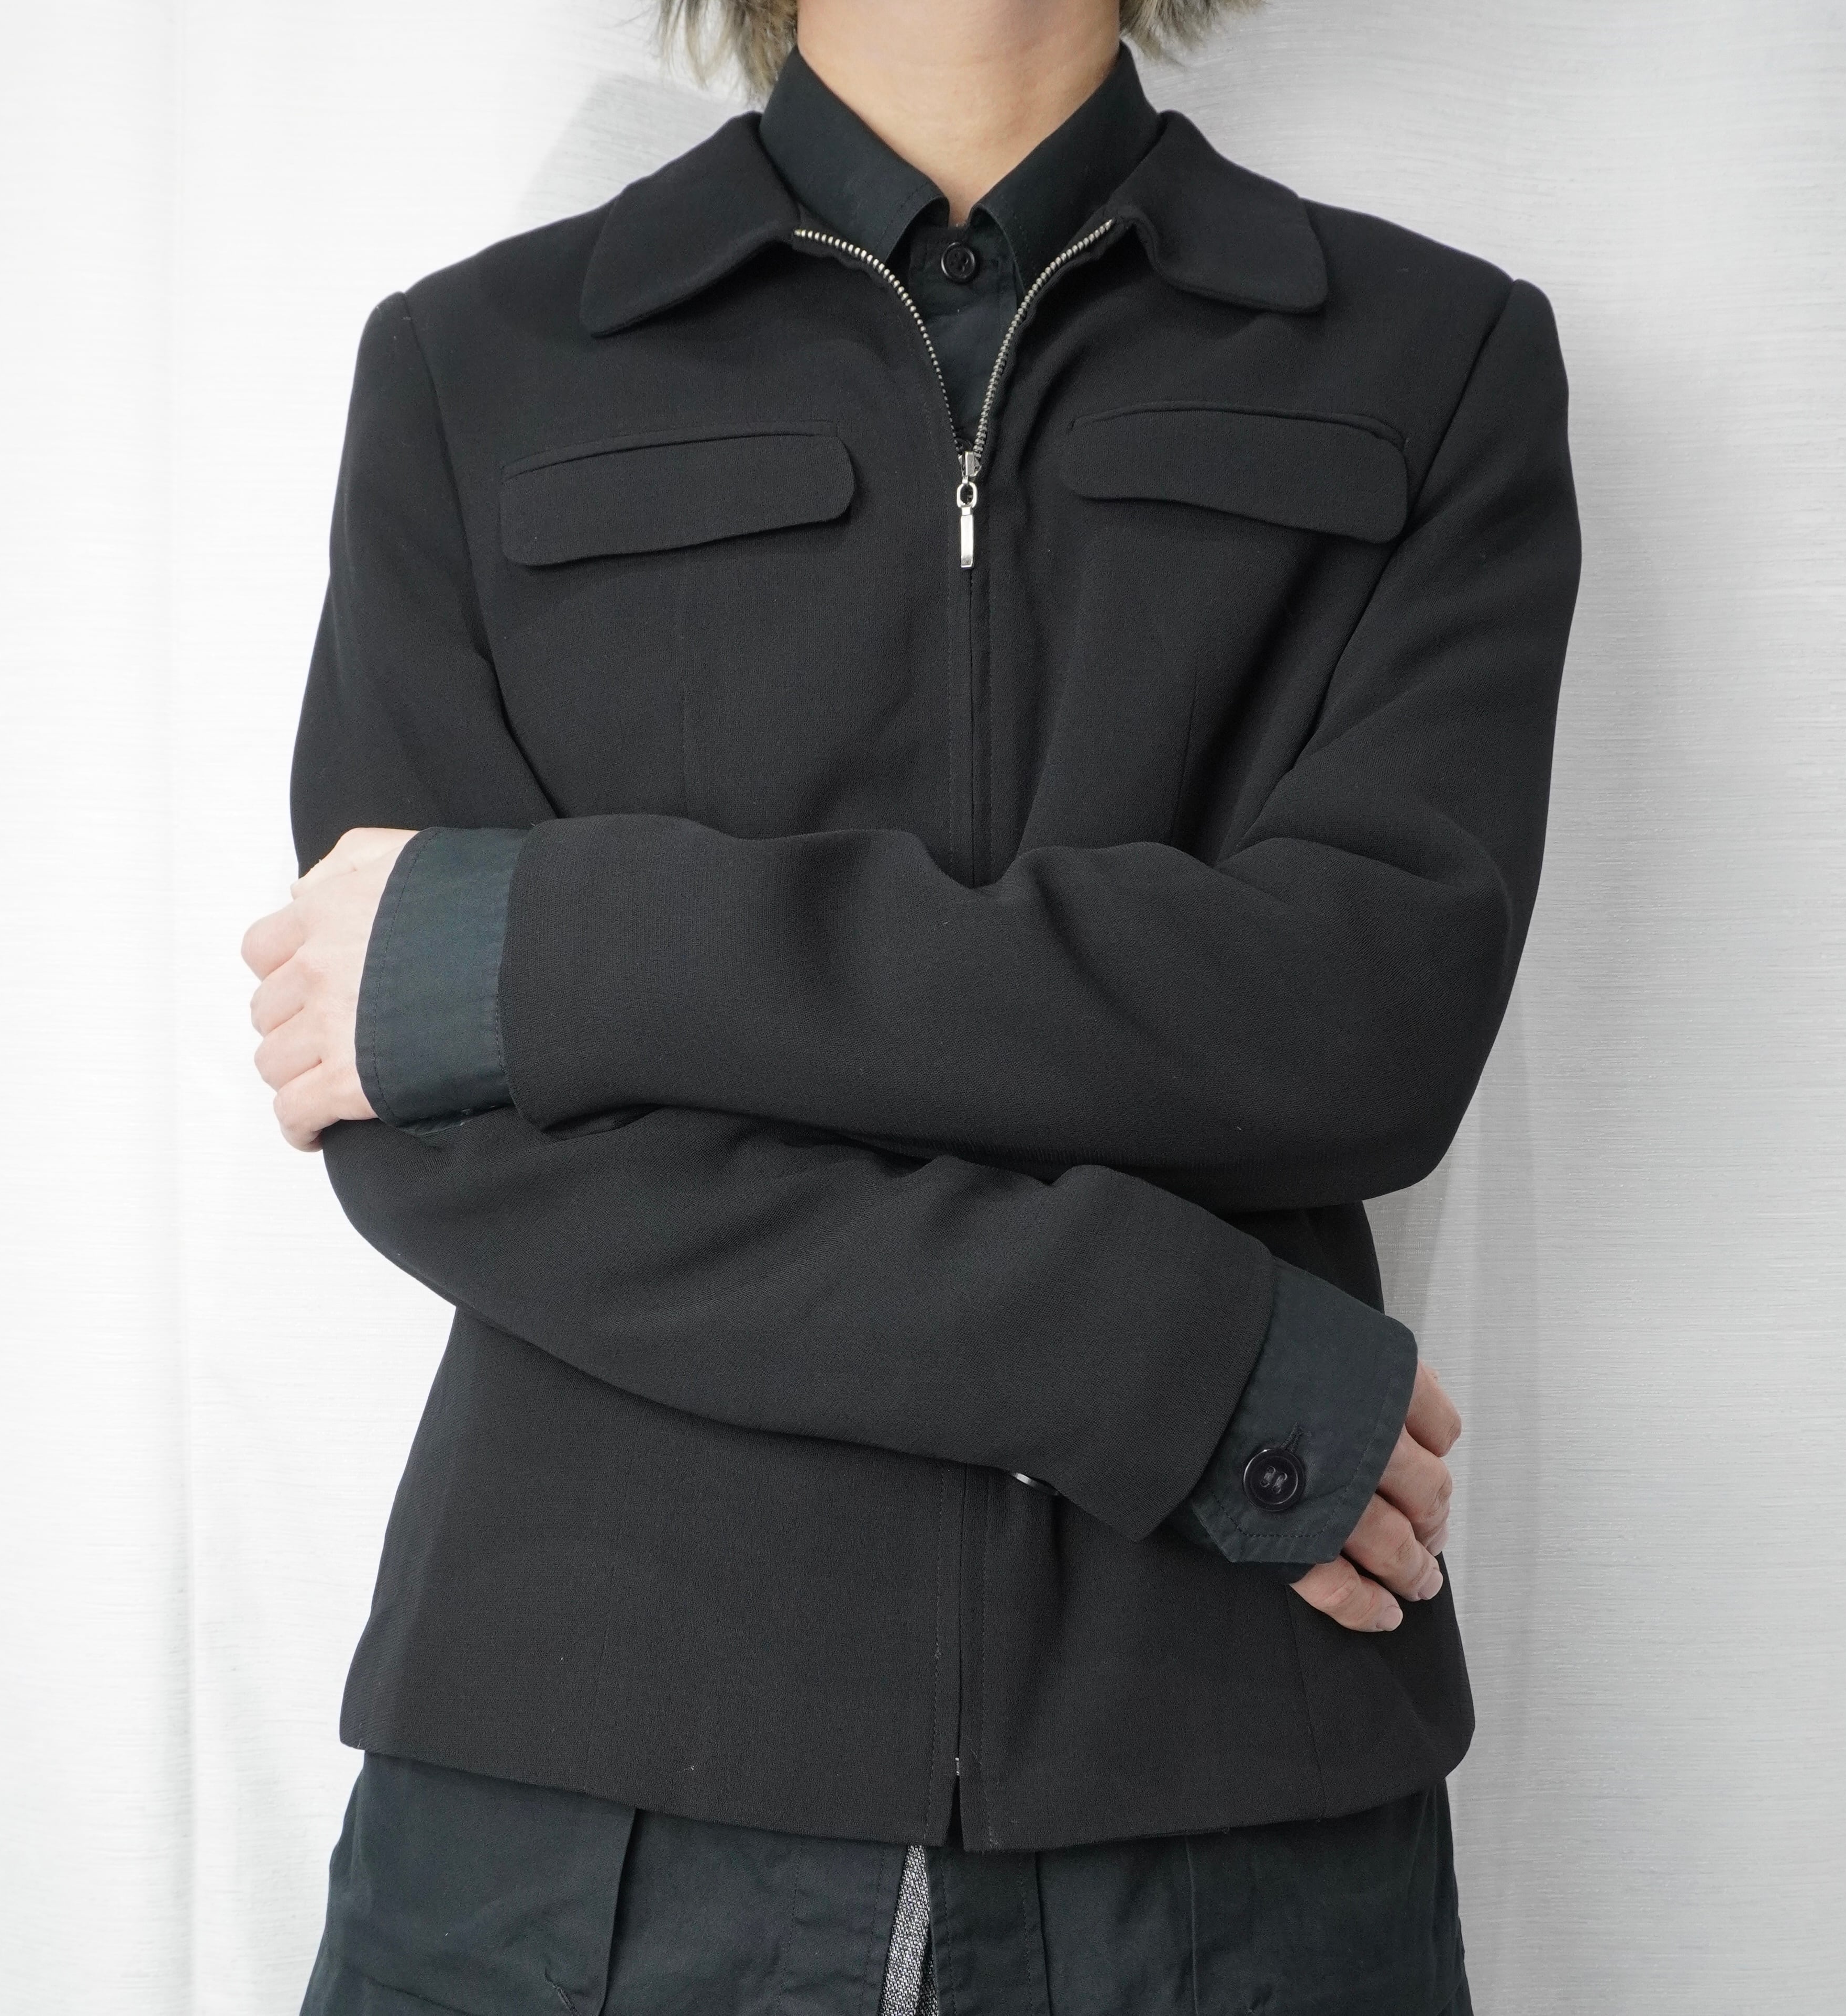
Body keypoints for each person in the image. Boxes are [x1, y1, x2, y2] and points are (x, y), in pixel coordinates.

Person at [241, 0, 1578, 2006]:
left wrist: (563, 945)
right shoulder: (474, 365)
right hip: (574, 1827)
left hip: (1221, 1835)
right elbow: (439, 1117)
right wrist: (1148, 1357)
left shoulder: (1432, 357)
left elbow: (1361, 1013)